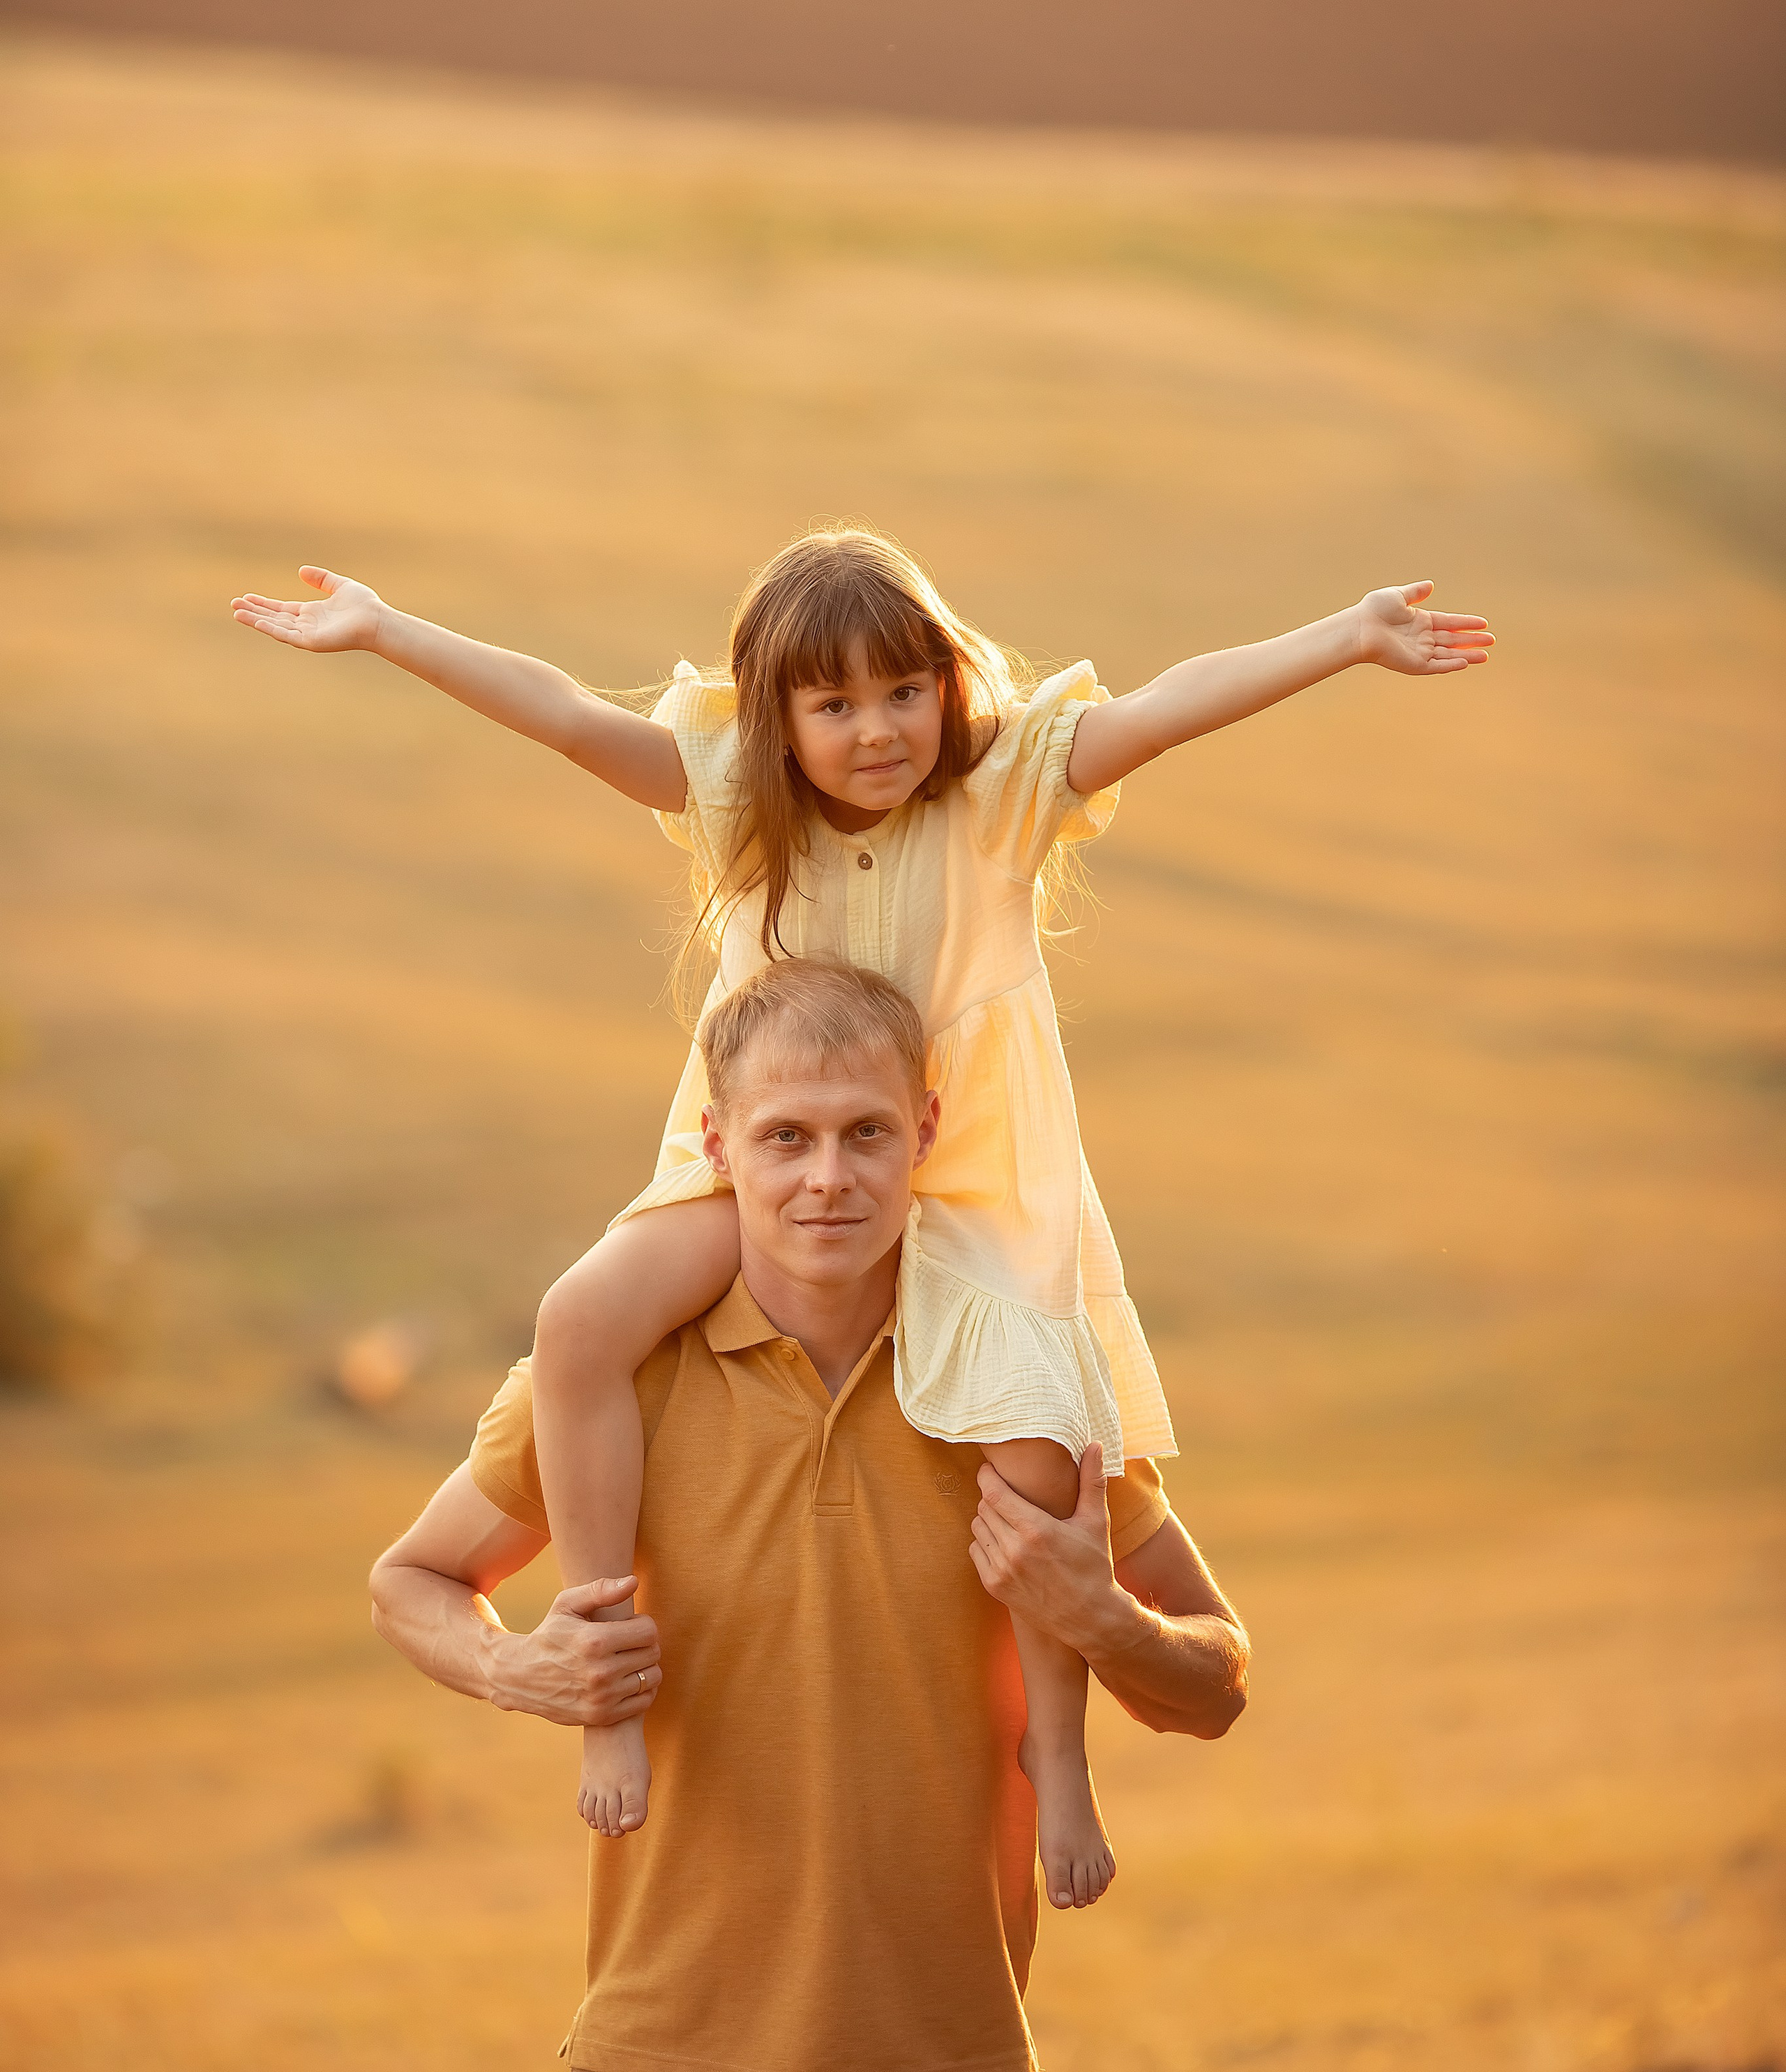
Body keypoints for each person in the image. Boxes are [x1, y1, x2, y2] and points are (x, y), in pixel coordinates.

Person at [235, 523, 1491, 1902]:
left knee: (1035, 1428)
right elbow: (567, 713)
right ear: (775, 720)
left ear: (947, 684)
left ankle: (1057, 1752)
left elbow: (1165, 705)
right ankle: (605, 1671)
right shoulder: (735, 801)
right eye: (832, 705)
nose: (877, 730)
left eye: (904, 691)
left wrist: (1345, 636)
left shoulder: (999, 794)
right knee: (582, 1318)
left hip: (971, 1176)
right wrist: (388, 629)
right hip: (761, 1174)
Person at [370, 958, 1250, 2072]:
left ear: (925, 1134)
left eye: (865, 1133)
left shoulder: (1012, 1386)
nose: (828, 1178)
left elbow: (1218, 1684)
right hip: (658, 2046)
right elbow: (410, 1584)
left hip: (950, 2046)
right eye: (786, 1137)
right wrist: (515, 1669)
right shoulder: (621, 1382)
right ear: (717, 1146)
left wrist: (1106, 1621)